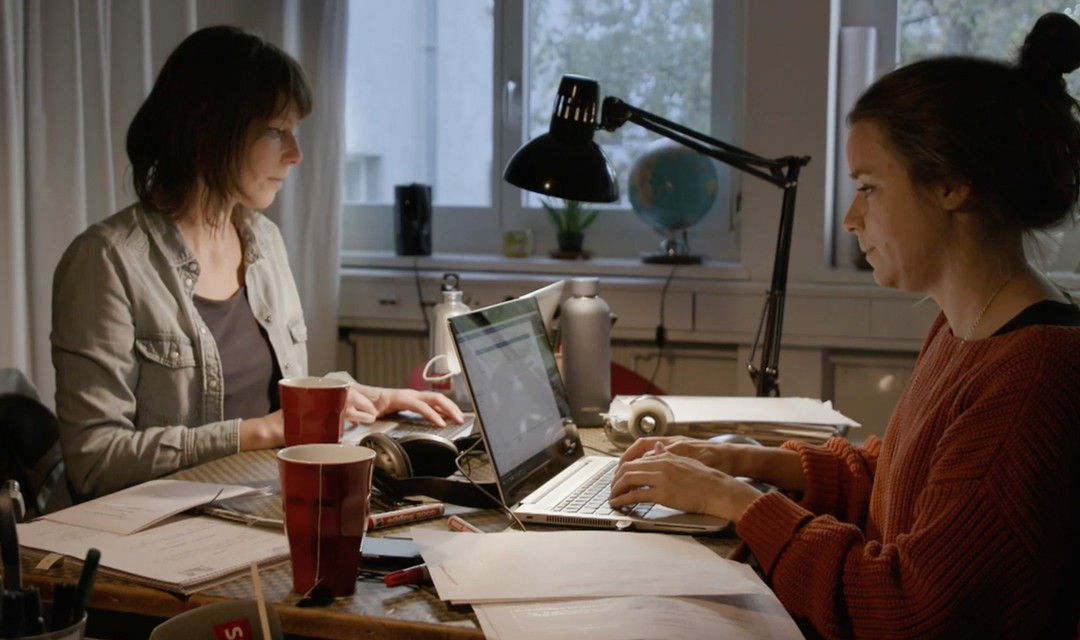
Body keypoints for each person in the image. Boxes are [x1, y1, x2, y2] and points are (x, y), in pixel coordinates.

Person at [610, 12, 1080, 639]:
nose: (853, 218)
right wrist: (736, 462)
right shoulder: (965, 329)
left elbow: (907, 610)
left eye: (868, 187)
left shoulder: (1036, 372)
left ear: (951, 184)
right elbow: (901, 486)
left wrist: (733, 499)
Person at [51, 26, 463, 501]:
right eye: (275, 131)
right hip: (161, 533)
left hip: (261, 503)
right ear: (208, 126)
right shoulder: (106, 262)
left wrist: (363, 399)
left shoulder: (264, 241)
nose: (295, 154)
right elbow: (94, 461)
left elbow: (273, 402)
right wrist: (262, 432)